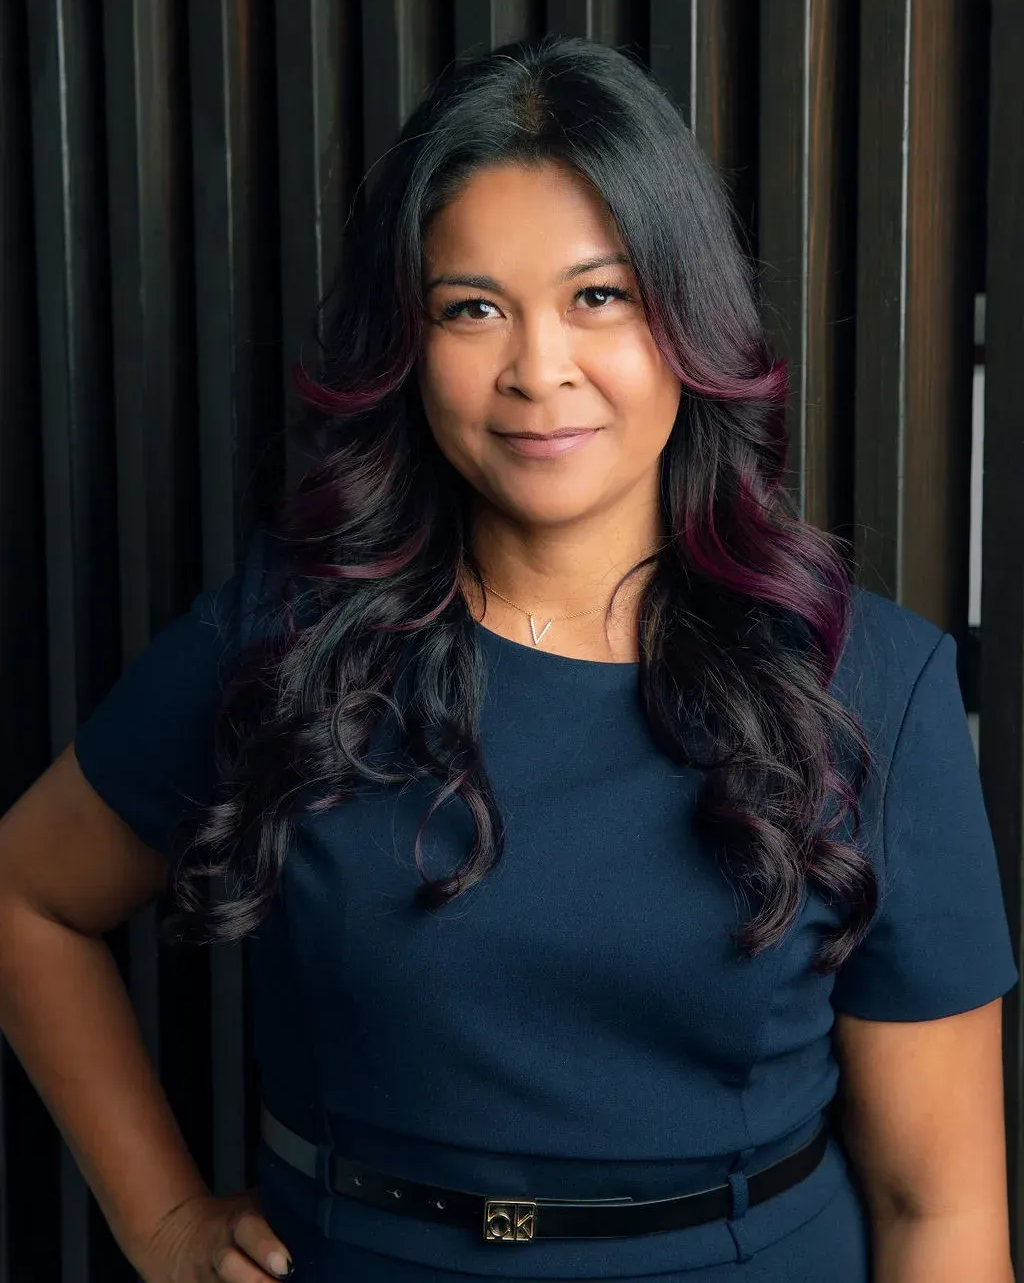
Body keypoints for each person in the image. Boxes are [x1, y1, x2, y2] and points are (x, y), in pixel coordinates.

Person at [0, 32, 1017, 1283]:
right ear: (407, 344)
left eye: (599, 296)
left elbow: (941, 1208)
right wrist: (158, 1221)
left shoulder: (871, 687)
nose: (539, 371)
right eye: (471, 308)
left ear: (684, 321)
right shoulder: (288, 635)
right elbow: (26, 897)